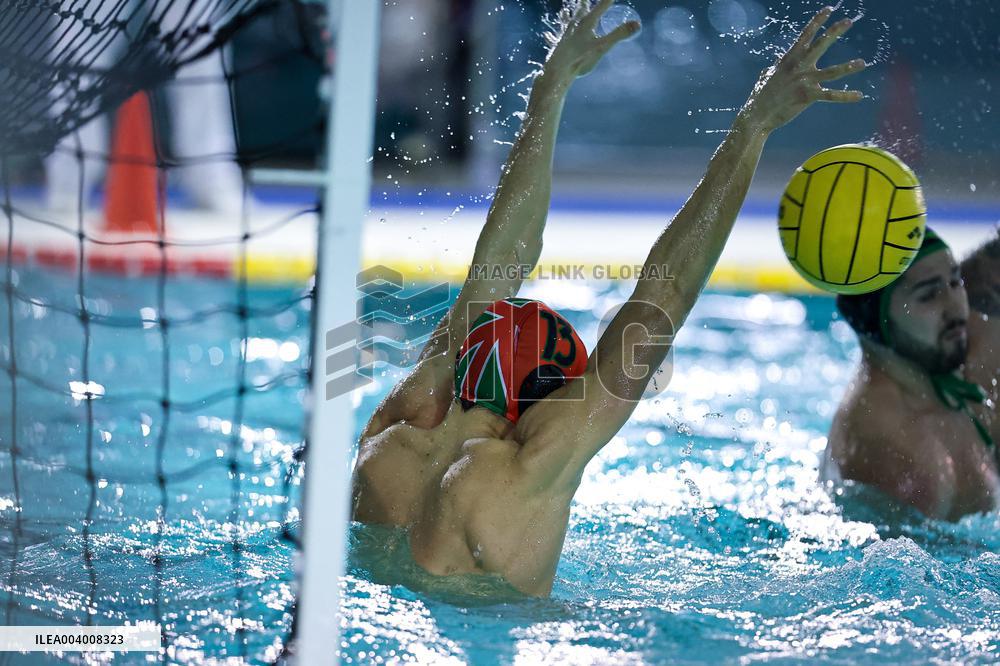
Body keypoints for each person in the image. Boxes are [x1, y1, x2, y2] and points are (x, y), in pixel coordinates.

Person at [352, 0, 865, 596]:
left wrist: (550, 87)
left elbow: (499, 266)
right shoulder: (528, 468)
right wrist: (753, 128)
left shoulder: (392, 434)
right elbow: (666, 294)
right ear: (540, 402)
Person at [823, 227, 999, 521]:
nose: (957, 306)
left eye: (955, 281)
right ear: (877, 321)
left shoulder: (943, 350)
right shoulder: (899, 460)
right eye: (929, 295)